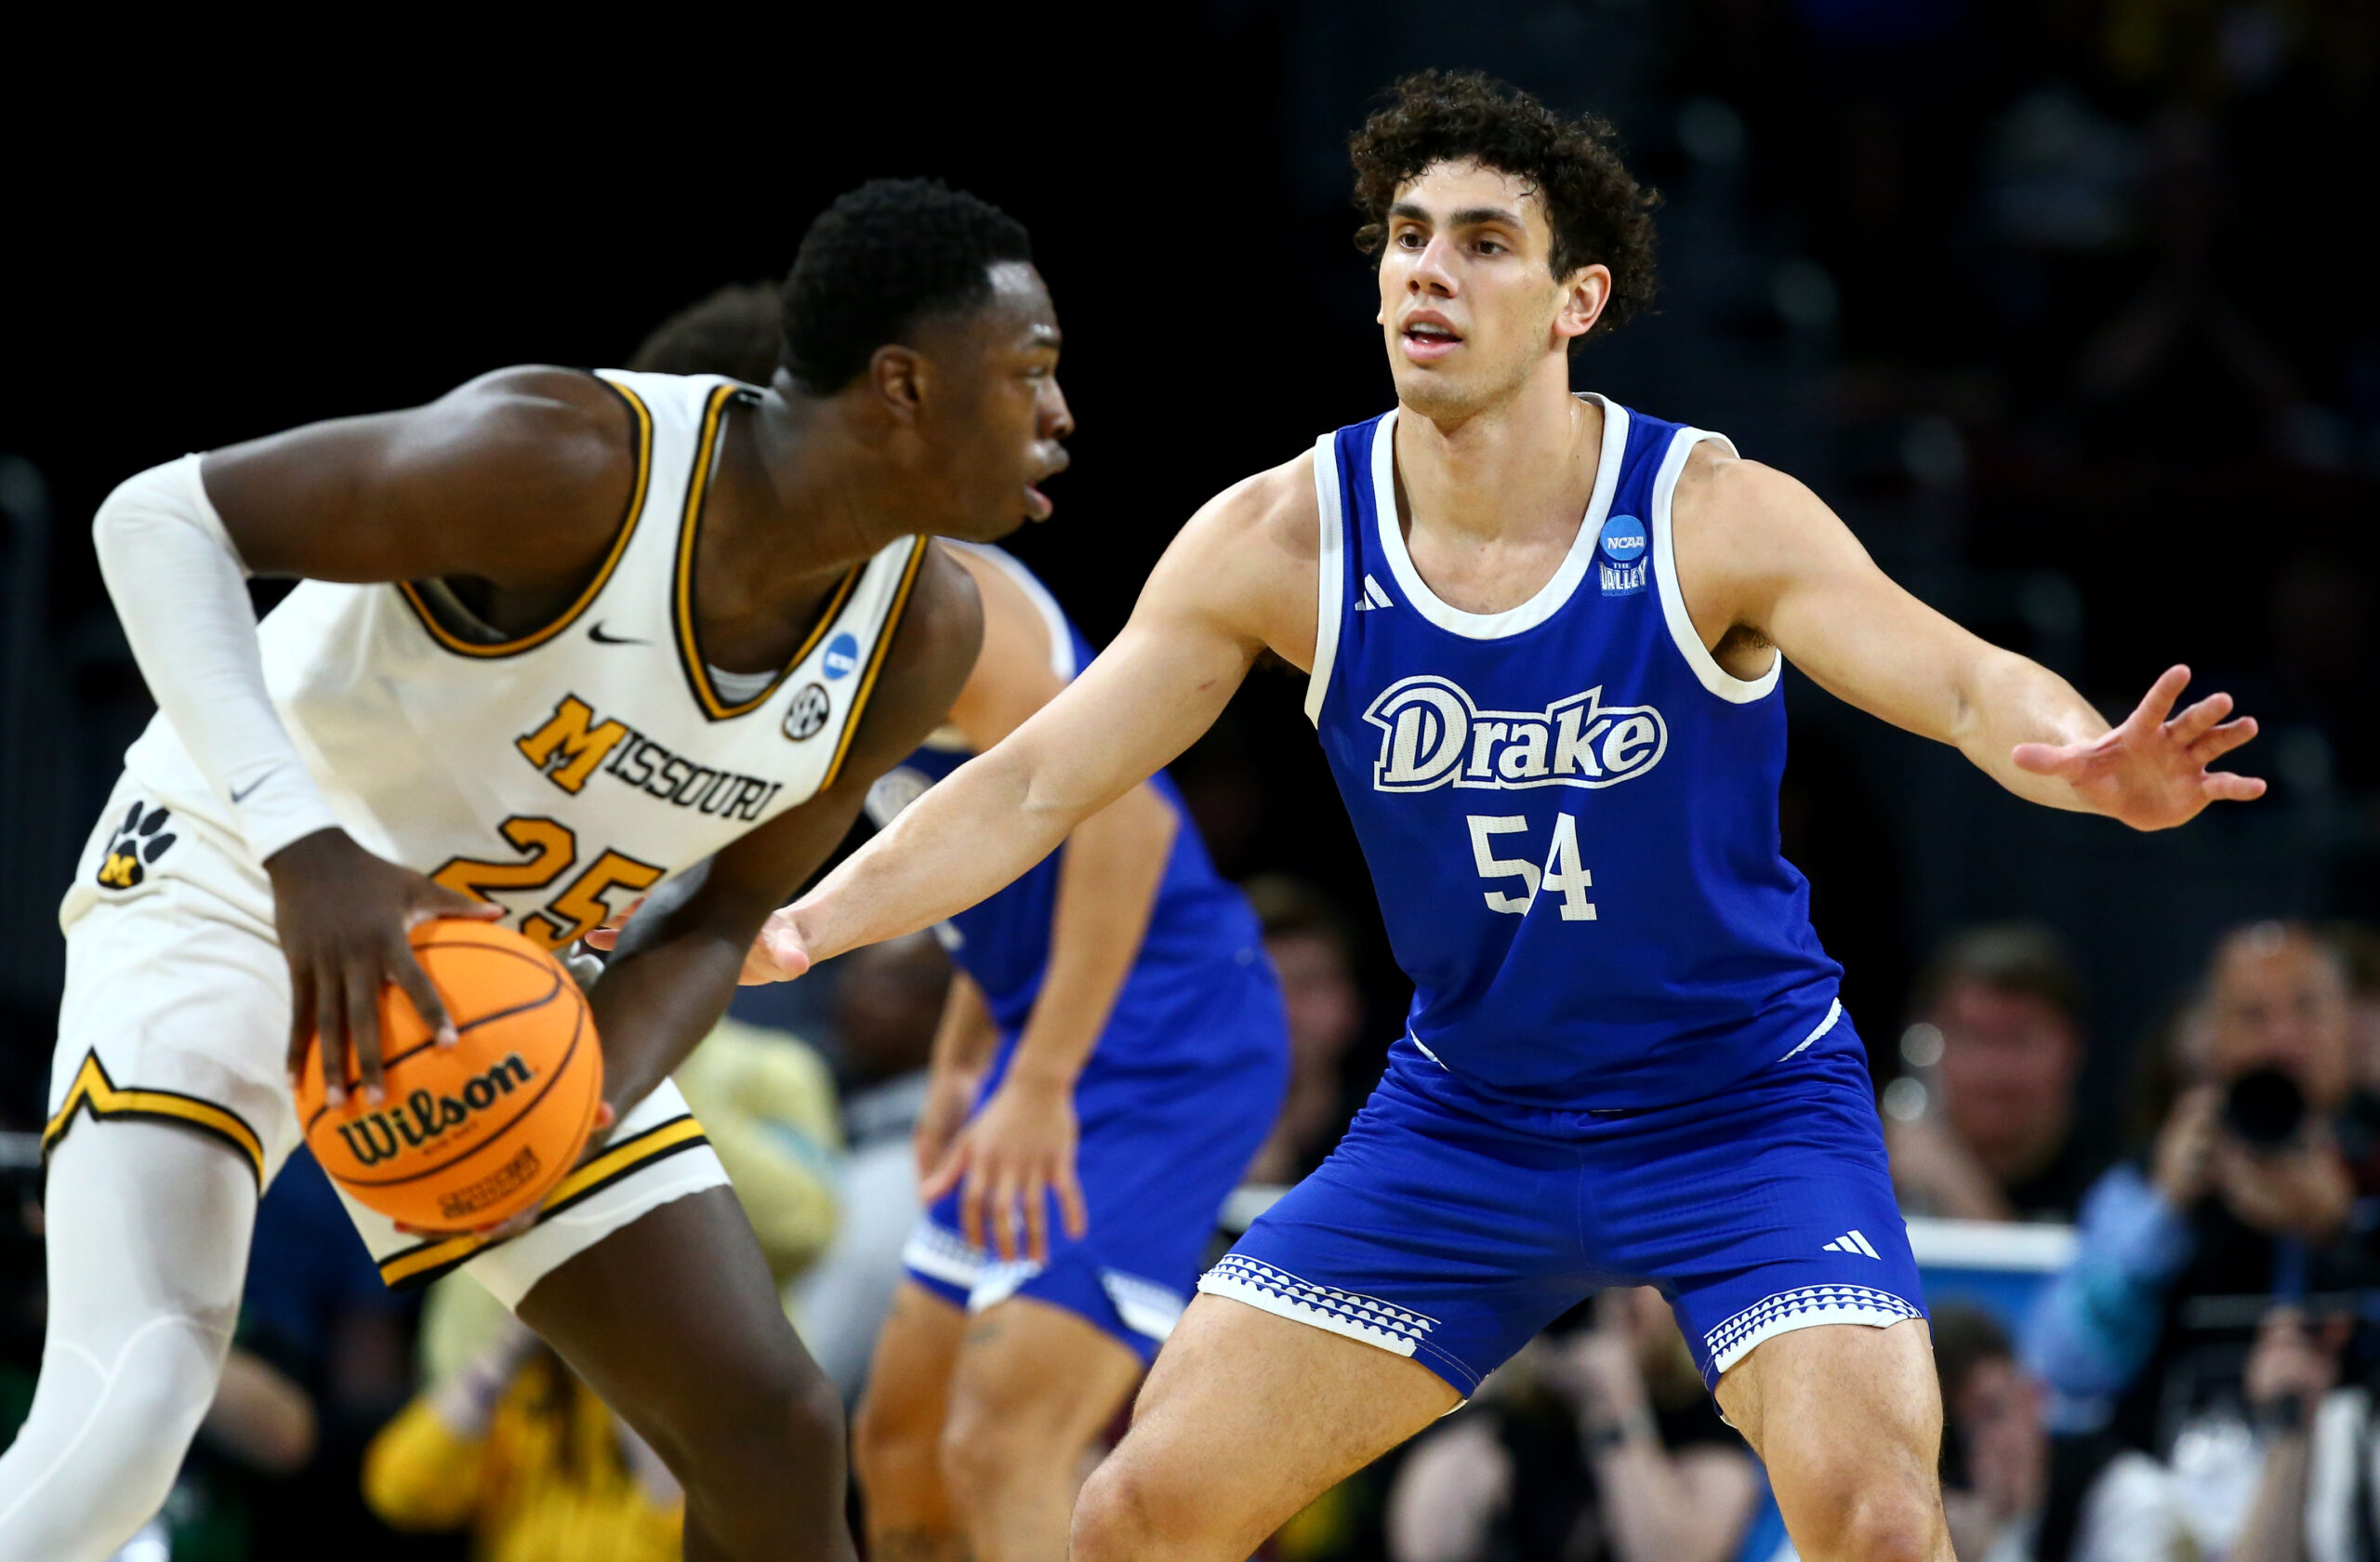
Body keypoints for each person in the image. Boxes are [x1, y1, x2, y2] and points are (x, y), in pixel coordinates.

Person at [744, 73, 2266, 1561]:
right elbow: (1033, 780)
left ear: (1572, 302)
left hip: (1739, 1106)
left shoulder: (1707, 513)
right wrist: (808, 919)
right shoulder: (1283, 536)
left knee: (1873, 1522)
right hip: (1469, 1118)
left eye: (1485, 243)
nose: (1431, 270)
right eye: (1409, 236)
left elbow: (1961, 680)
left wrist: (2084, 753)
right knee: (1137, 1514)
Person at [0, 178, 1072, 1562]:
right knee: (134, 1405)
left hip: (493, 986)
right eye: (1032, 372)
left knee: (771, 1423)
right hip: (234, 882)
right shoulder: (572, 464)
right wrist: (304, 845)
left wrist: (590, 1091)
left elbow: (729, 912)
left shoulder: (922, 632)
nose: (1060, 415)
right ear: (904, 386)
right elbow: (157, 520)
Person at [620, 283, 1289, 1562]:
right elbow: (993, 877)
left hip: (1165, 1037)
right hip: (1040, 1027)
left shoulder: (950, 606)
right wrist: (964, 1061)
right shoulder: (802, 613)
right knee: (902, 1454)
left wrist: (1035, 1081)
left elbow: (1124, 833)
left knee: (1003, 1449)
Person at [2025, 923, 2374, 1461]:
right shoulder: (2151, 1178)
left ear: (2348, 1026)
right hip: (2176, 1479)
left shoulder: (2371, 1162)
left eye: (2307, 1009)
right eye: (2253, 1015)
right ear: (2209, 1037)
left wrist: (2341, 1231)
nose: (2283, 1037)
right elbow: (2061, 1370)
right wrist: (2163, 1214)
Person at [1386, 1286, 1760, 1562]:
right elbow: (1428, 1547)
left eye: (1630, 1279)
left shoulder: (1708, 1418)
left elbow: (1673, 1556)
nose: (1604, 1300)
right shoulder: (1514, 1417)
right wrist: (1484, 1387)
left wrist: (1617, 1409)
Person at [1930, 1305, 2194, 1562]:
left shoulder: (2128, 1496)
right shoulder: (1935, 1523)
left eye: (1993, 1412)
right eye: (1957, 1434)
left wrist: (1993, 1550)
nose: (1983, 1446)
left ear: (2032, 1397)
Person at [1889, 924, 2102, 1223]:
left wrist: (1953, 1182)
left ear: (2071, 1048)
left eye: (2017, 1040)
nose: (1993, 1068)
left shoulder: (2120, 1178)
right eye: (1972, 1038)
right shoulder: (1866, 1159)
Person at [1243, 876, 1368, 1185]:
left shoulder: (1402, 1133)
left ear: (1352, 1001)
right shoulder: (1173, 1132)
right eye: (1263, 987)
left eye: (1307, 984)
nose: (1286, 1011)